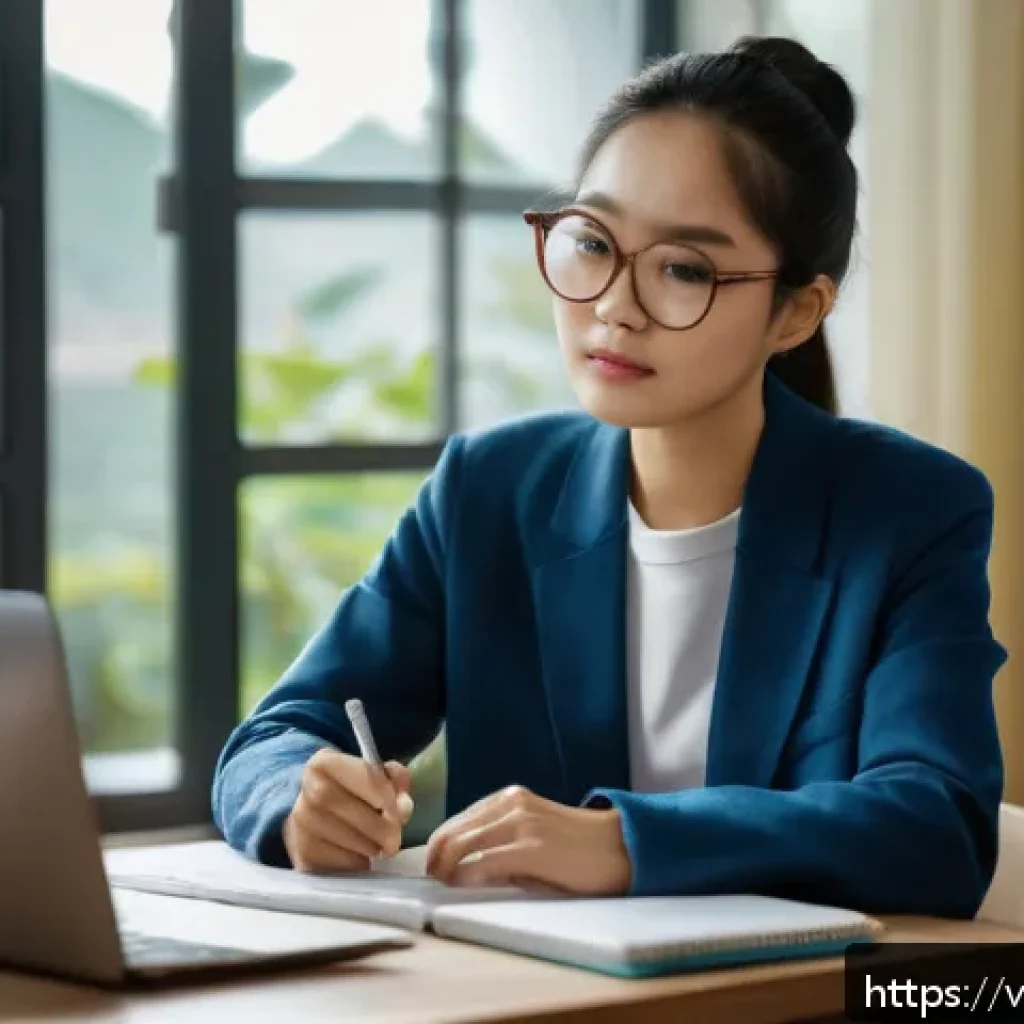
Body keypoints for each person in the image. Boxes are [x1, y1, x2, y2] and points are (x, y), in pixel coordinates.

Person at [212, 36, 1006, 918]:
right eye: (592, 242)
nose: (613, 307)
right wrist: (299, 801)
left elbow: (938, 827)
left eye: (683, 269)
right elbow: (277, 737)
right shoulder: (488, 490)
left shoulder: (910, 511)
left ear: (796, 311)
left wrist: (629, 842)